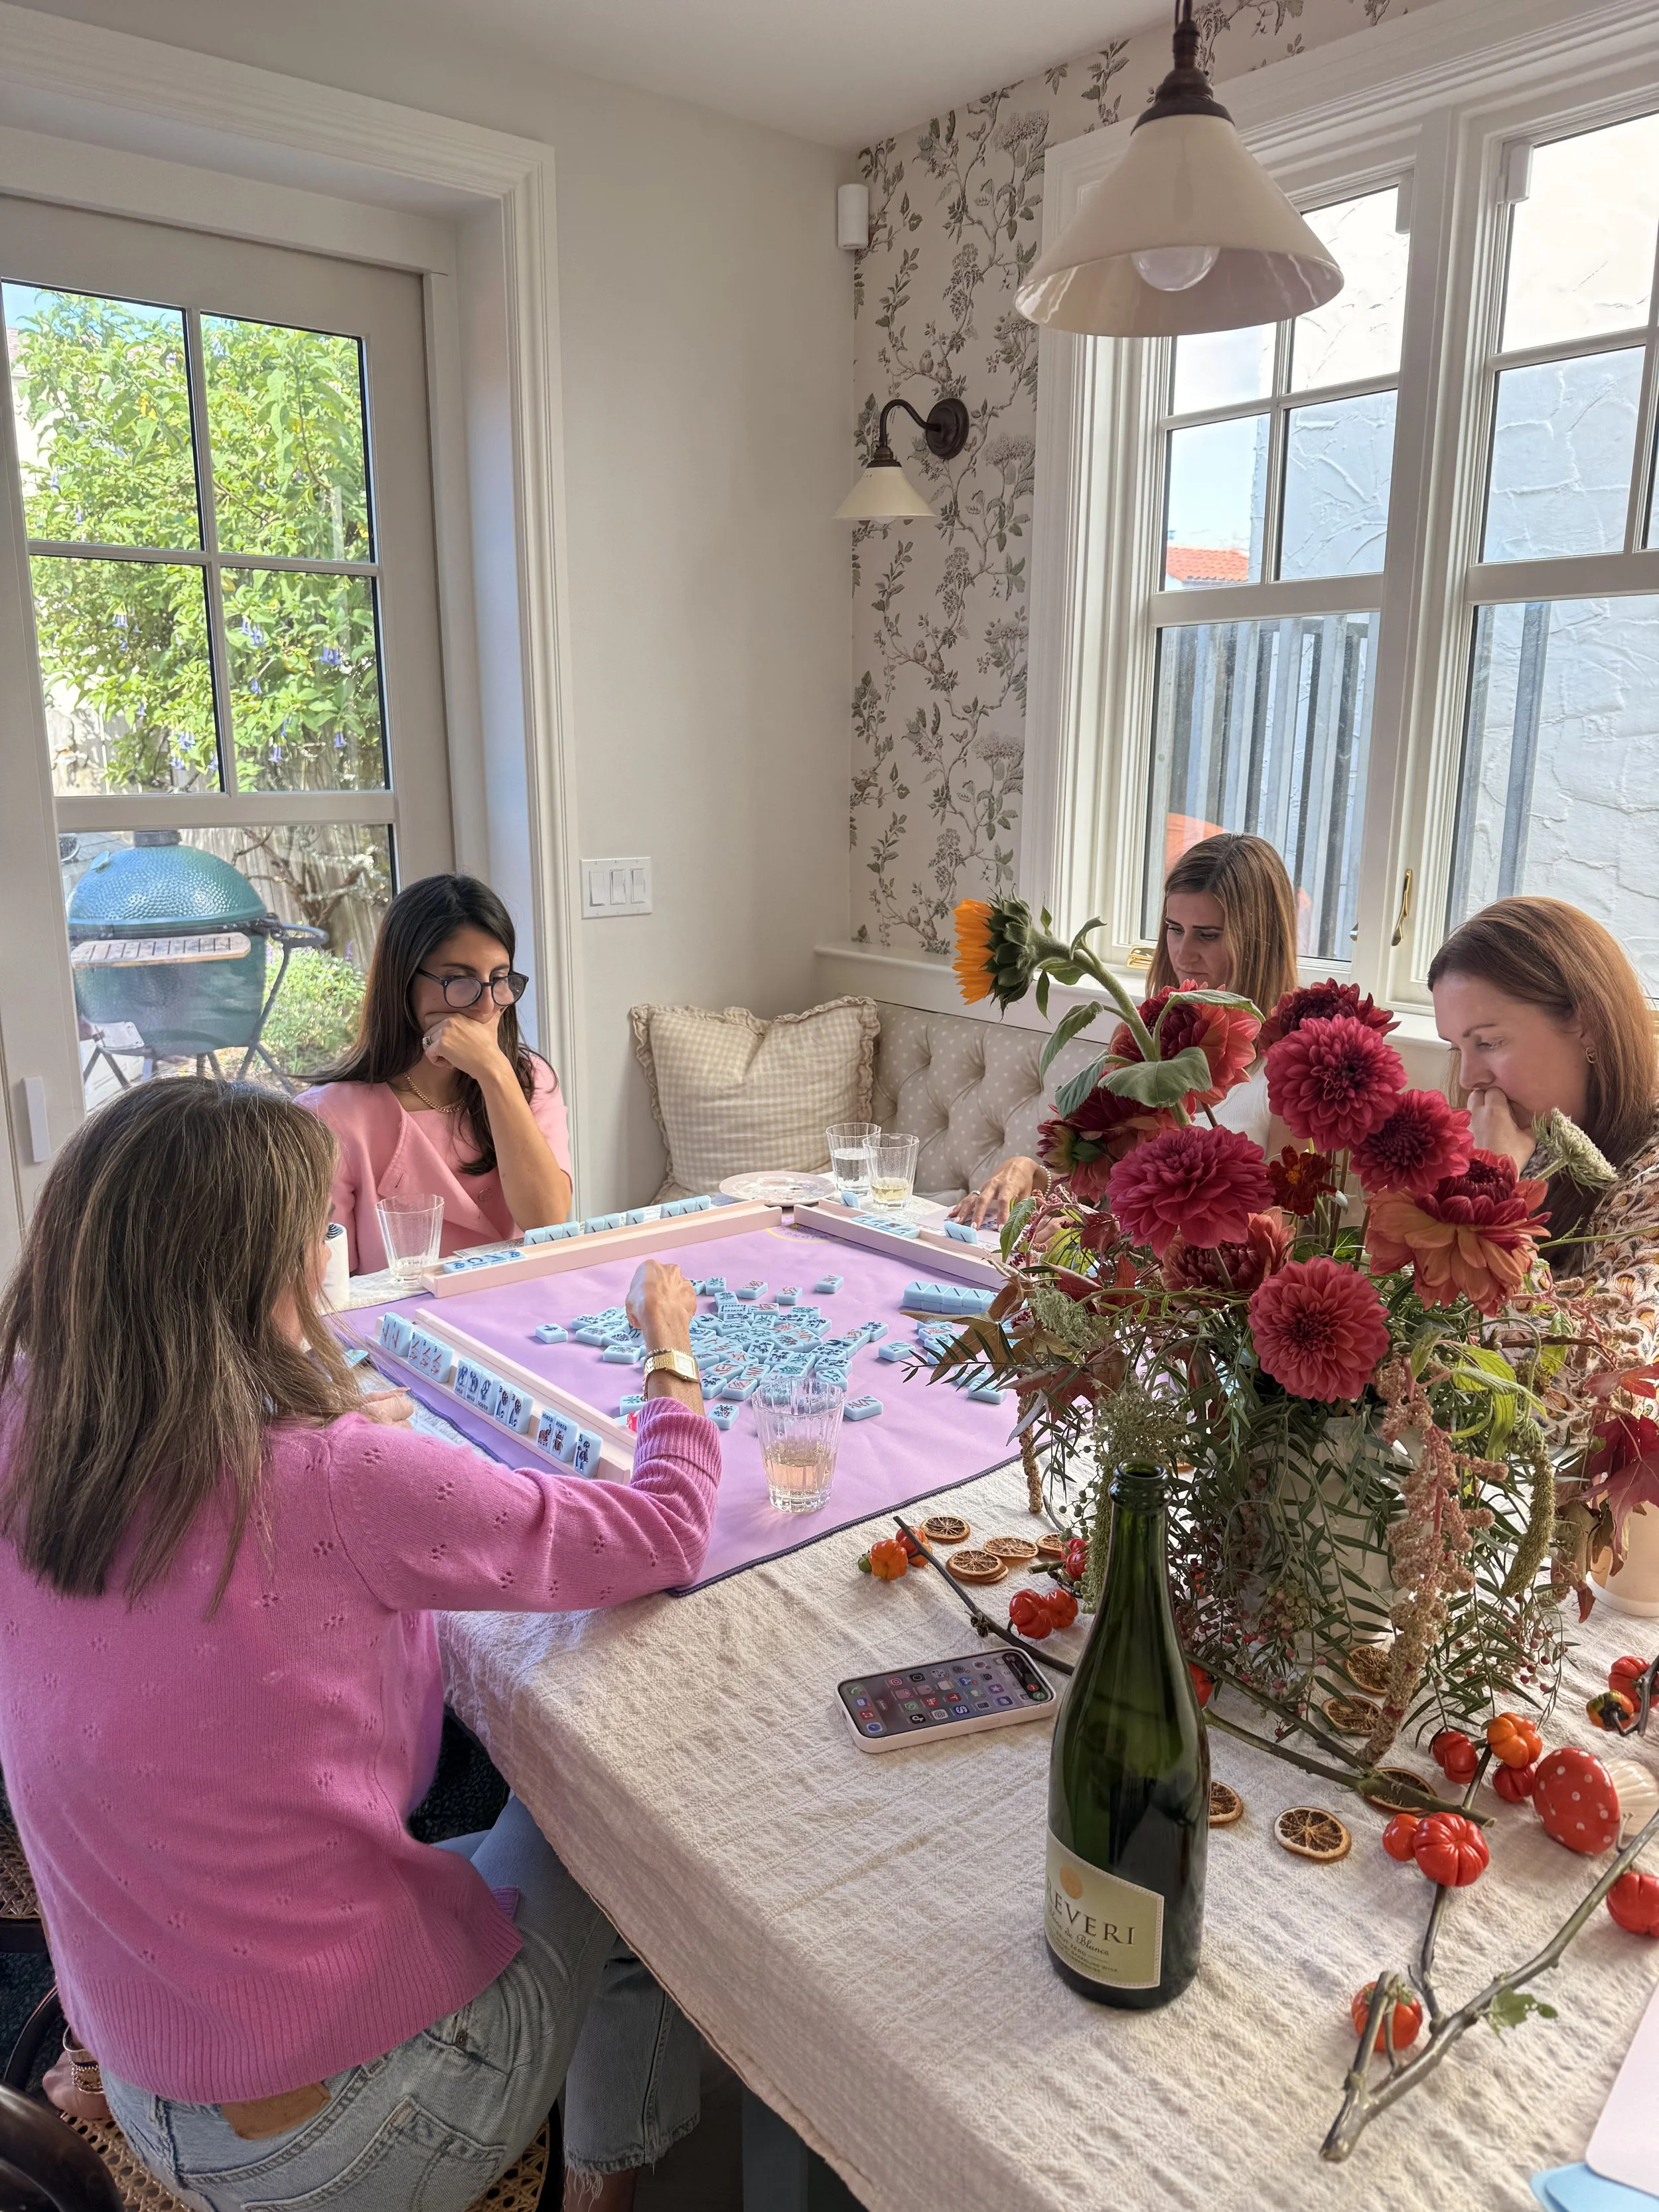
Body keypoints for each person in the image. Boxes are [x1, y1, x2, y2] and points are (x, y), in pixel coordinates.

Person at [0, 1079, 716, 2212]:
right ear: (260, 1276)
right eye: (313, 1237)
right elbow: (666, 1530)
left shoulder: (28, 1424)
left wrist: (338, 1449)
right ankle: (601, 2191)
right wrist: (670, 1357)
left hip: (142, 2079)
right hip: (365, 2131)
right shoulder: (335, 1476)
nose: (324, 1256)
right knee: (613, 1800)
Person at [952, 832, 1301, 1227]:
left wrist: (1109, 1236)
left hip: (1186, 1284)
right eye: (1174, 928)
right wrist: (1029, 1174)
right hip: (1112, 1273)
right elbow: (1096, 1190)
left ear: (1259, 943)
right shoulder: (1142, 1040)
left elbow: (1281, 1242)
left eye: (1207, 935)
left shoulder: (1291, 1074)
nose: (1183, 955)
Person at [300, 873, 572, 1273]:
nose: (485, 1007)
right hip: (400, 1331)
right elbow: (330, 1289)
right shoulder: (329, 1117)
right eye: (459, 981)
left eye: (499, 980)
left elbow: (547, 1220)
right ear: (404, 982)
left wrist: (495, 1074)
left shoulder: (530, 1081)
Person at [1429, 895, 1659, 1342]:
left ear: (1587, 1022)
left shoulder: (1650, 1178)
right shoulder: (1527, 1137)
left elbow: (1588, 1378)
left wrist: (1493, 1189)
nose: (1469, 1077)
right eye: (1458, 1048)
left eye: (1490, 1042)